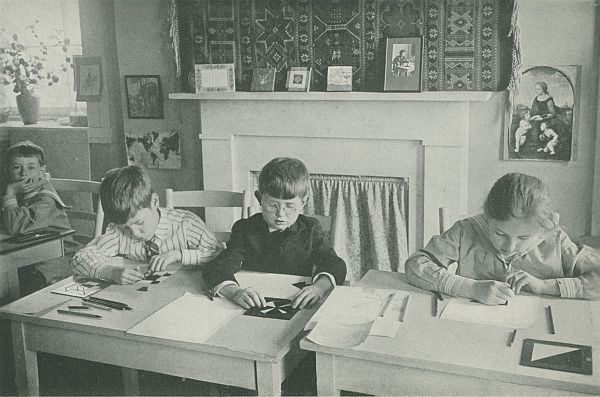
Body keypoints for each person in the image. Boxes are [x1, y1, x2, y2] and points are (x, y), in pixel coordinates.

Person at [405, 173, 600, 304]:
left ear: (541, 228)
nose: (510, 245)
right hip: (473, 328)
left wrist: (544, 286)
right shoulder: (467, 230)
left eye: (523, 237)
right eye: (499, 233)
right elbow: (415, 265)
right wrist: (470, 288)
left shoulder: (556, 239)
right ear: (487, 217)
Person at [202, 157, 347, 310]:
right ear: (259, 199)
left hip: (297, 304)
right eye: (272, 205)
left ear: (303, 202)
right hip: (254, 305)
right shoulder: (245, 229)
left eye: (290, 206)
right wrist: (235, 292)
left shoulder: (310, 228)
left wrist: (319, 288)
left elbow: (335, 264)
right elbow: (217, 267)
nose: (281, 215)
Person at [71, 165, 223, 284]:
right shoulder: (118, 232)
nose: (135, 233)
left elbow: (219, 253)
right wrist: (109, 272)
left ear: (155, 202)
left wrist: (179, 254)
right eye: (126, 227)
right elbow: (80, 258)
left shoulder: (186, 224)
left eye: (139, 222)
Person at [1, 141, 73, 293]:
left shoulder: (44, 200)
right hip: (28, 251)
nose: (23, 173)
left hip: (55, 257)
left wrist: (10, 191)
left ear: (42, 171)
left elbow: (15, 226)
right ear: (8, 170)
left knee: (10, 280)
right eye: (16, 167)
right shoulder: (21, 192)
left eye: (31, 167)